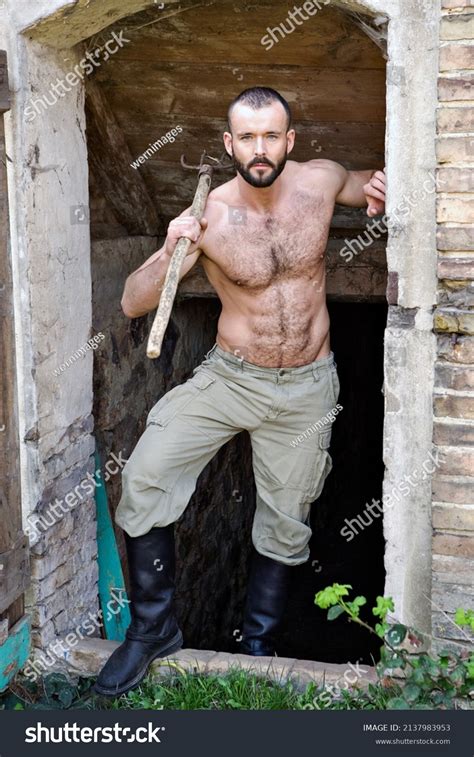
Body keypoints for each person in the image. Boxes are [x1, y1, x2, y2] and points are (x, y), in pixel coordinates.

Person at [93, 87, 386, 697]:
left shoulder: (320, 182)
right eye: (247, 137)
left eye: (271, 135)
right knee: (146, 474)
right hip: (231, 377)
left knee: (286, 519)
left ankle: (257, 648)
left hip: (307, 385)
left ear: (290, 141)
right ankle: (152, 631)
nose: (260, 148)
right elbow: (131, 301)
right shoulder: (210, 218)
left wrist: (386, 189)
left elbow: (368, 181)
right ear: (230, 144)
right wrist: (173, 247)